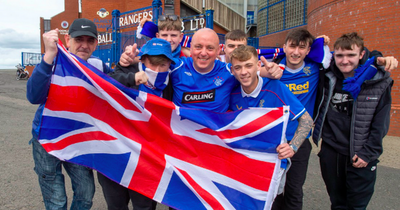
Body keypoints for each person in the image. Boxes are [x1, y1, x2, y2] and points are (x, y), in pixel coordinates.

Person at [26, 18, 112, 210]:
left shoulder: (98, 66)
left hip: (78, 140)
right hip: (46, 138)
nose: (84, 45)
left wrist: (129, 65)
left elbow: (120, 89)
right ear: (68, 40)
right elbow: (33, 96)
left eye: (90, 40)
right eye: (78, 39)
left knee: (86, 193)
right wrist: (48, 54)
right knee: (56, 201)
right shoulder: (52, 61)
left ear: (96, 43)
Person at [312, 32, 394, 209]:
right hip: (331, 153)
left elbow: (381, 122)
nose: (345, 61)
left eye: (351, 55)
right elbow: (301, 55)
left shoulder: (378, 81)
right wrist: (319, 41)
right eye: (339, 55)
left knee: (356, 206)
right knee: (337, 204)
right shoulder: (328, 76)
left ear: (362, 54)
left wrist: (368, 152)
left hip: (360, 155)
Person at [98, 38, 175, 210]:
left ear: (170, 63)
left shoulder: (172, 81)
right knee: (116, 206)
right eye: (152, 63)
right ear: (142, 60)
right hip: (116, 154)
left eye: (162, 64)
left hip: (148, 159)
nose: (157, 69)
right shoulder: (128, 72)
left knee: (144, 207)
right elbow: (104, 83)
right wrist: (132, 77)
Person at [228, 45, 313, 199]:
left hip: (271, 160)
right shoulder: (232, 92)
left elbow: (306, 119)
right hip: (248, 161)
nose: (244, 72)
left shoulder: (275, 87)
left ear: (258, 66)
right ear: (232, 70)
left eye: (248, 65)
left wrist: (292, 147)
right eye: (238, 67)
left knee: (275, 200)